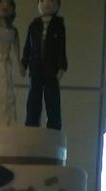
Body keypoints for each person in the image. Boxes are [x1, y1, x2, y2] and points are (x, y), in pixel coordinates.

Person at [21, 0, 67, 130]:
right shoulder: (33, 25)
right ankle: (31, 124)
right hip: (35, 66)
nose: (46, 3)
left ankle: (54, 125)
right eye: (42, 0)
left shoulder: (59, 25)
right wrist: (24, 63)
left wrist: (62, 66)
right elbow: (27, 46)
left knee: (52, 97)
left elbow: (62, 47)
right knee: (33, 97)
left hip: (52, 68)